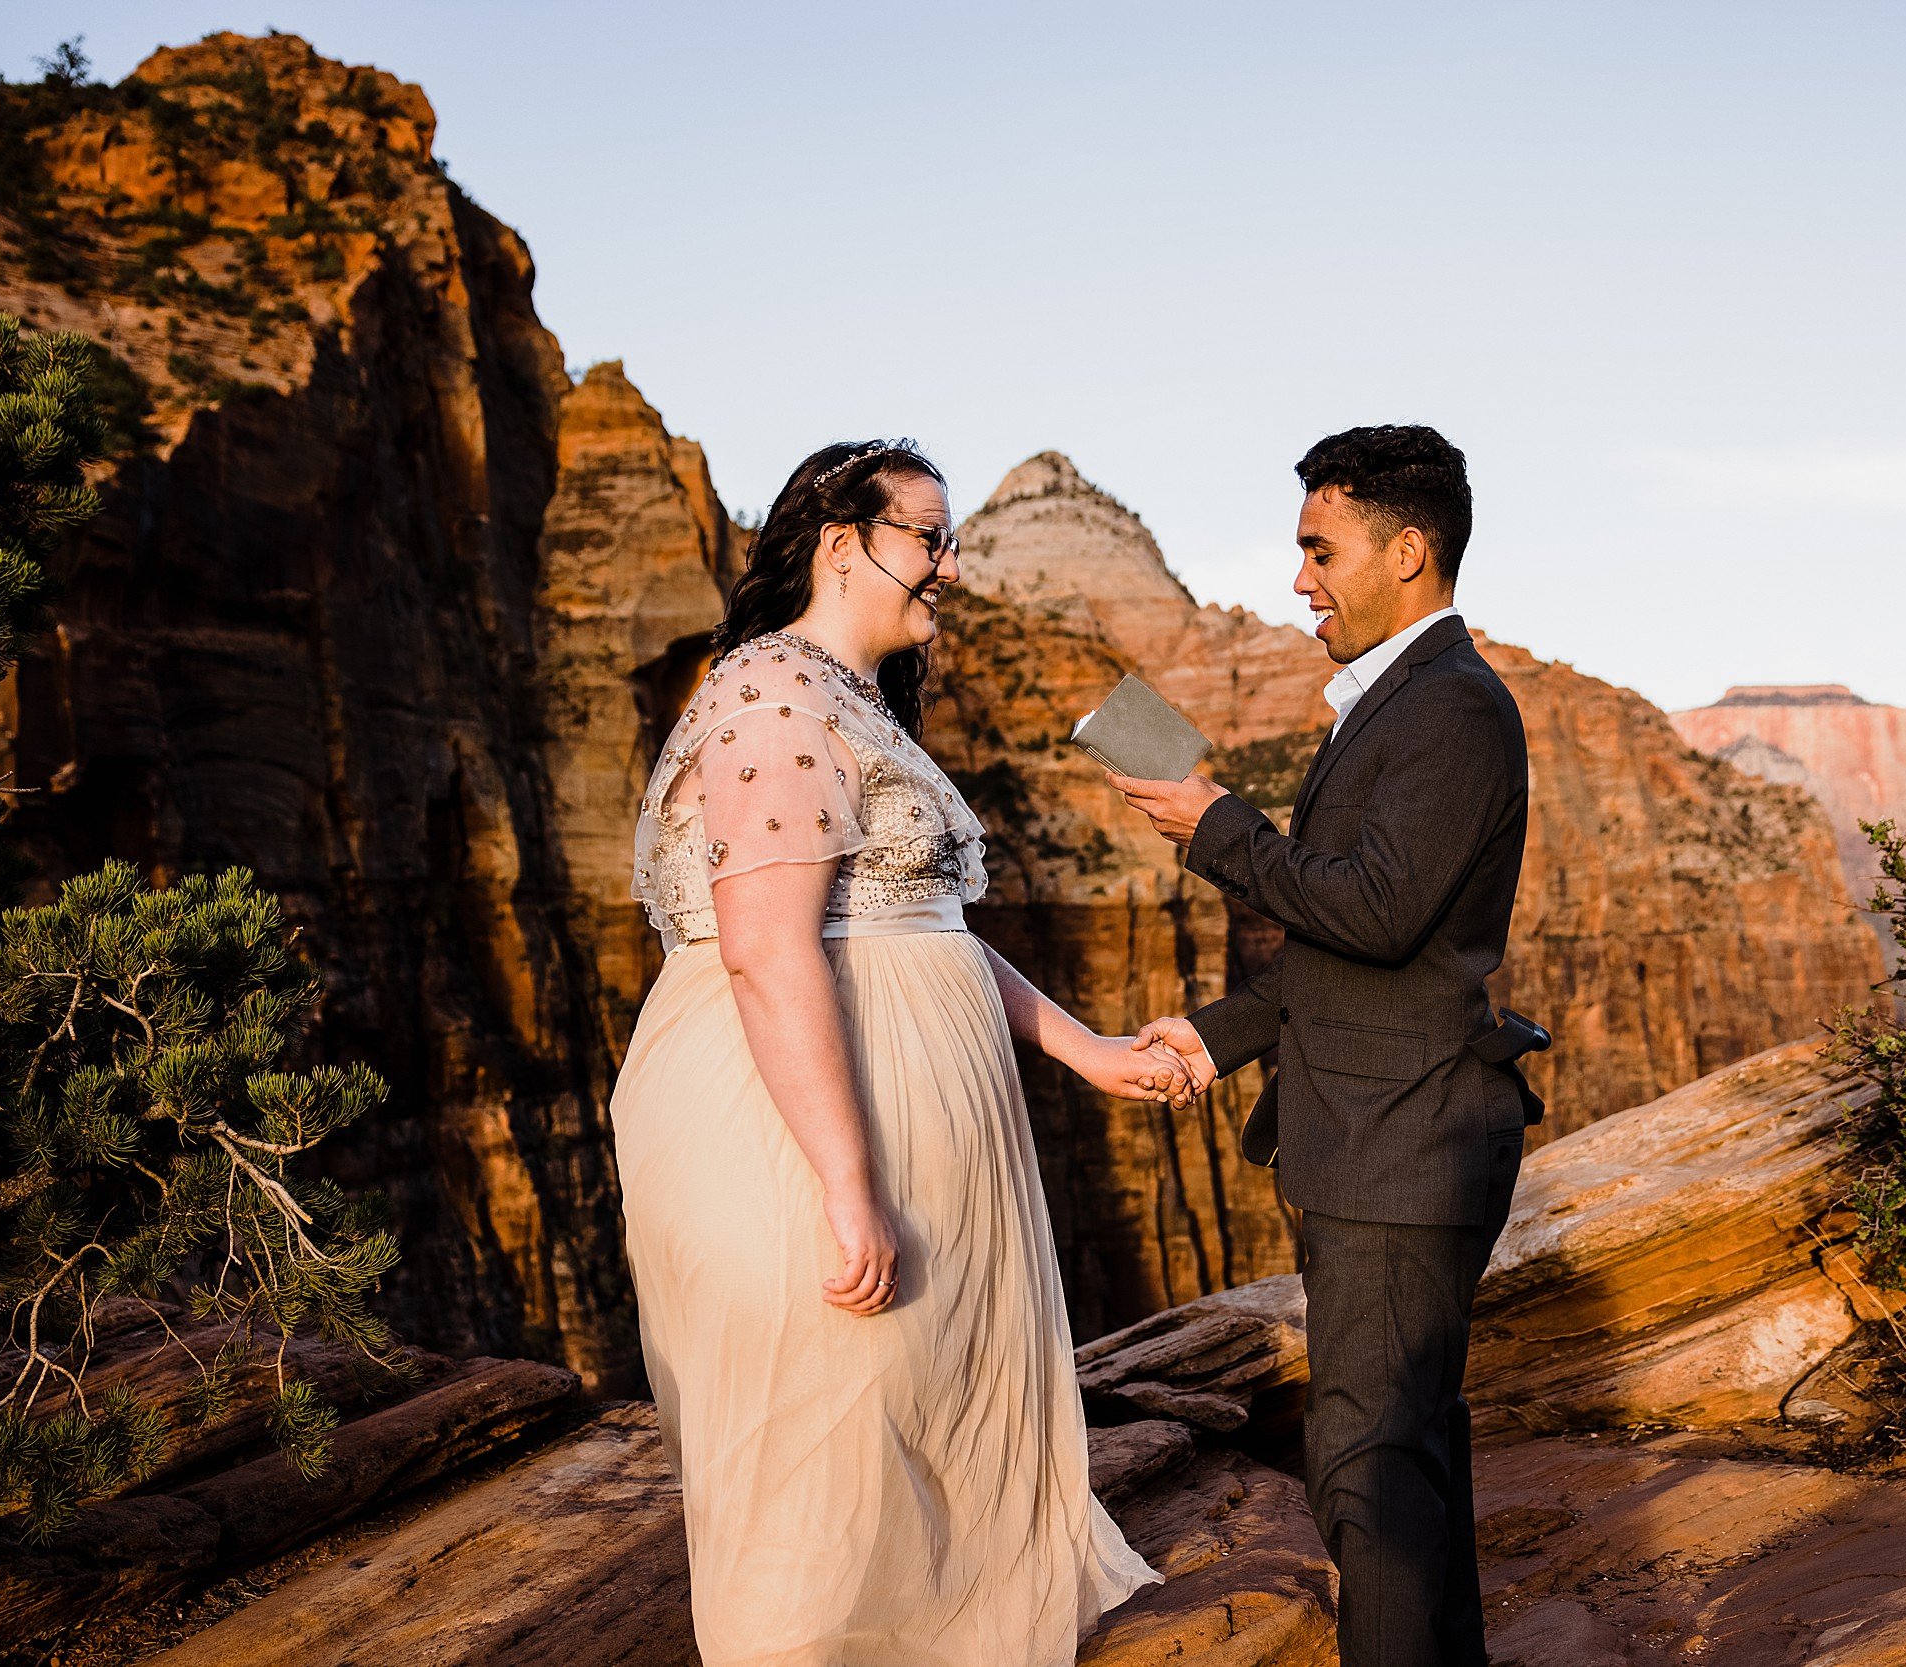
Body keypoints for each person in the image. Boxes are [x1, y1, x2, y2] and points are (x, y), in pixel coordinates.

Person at [612, 439, 1173, 1666]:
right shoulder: (770, 689)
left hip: (879, 1118)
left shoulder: (848, 699)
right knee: (825, 1463)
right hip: (791, 1129)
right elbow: (764, 946)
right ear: (838, 540)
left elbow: (928, 929)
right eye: (928, 536)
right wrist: (846, 1184)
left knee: (898, 1446)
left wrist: (1087, 1053)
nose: (950, 566)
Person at [1110, 425, 1531, 1667]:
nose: (1298, 578)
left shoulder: (1451, 706)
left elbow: (1380, 911)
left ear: (1408, 551)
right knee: (1403, 1448)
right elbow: (1345, 950)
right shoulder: (1398, 702)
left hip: (1404, 1144)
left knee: (1363, 1459)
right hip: (1374, 1134)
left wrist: (1215, 822)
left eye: (1317, 547)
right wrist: (1215, 1035)